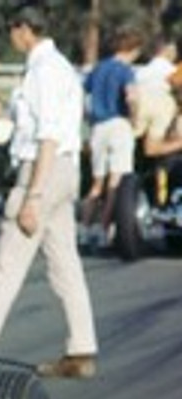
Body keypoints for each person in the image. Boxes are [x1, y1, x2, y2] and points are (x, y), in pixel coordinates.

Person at [0, 2, 98, 380]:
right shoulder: (60, 68)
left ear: (25, 29)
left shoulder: (43, 71)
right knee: (64, 265)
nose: (11, 37)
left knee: (5, 265)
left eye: (13, 29)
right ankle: (81, 348)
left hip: (42, 171)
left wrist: (33, 195)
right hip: (64, 170)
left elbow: (47, 136)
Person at [80, 26, 141, 245]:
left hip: (98, 126)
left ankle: (84, 228)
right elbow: (131, 97)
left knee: (96, 182)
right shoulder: (125, 71)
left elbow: (84, 96)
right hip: (118, 123)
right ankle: (104, 229)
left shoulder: (97, 69)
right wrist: (135, 118)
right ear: (131, 50)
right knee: (116, 182)